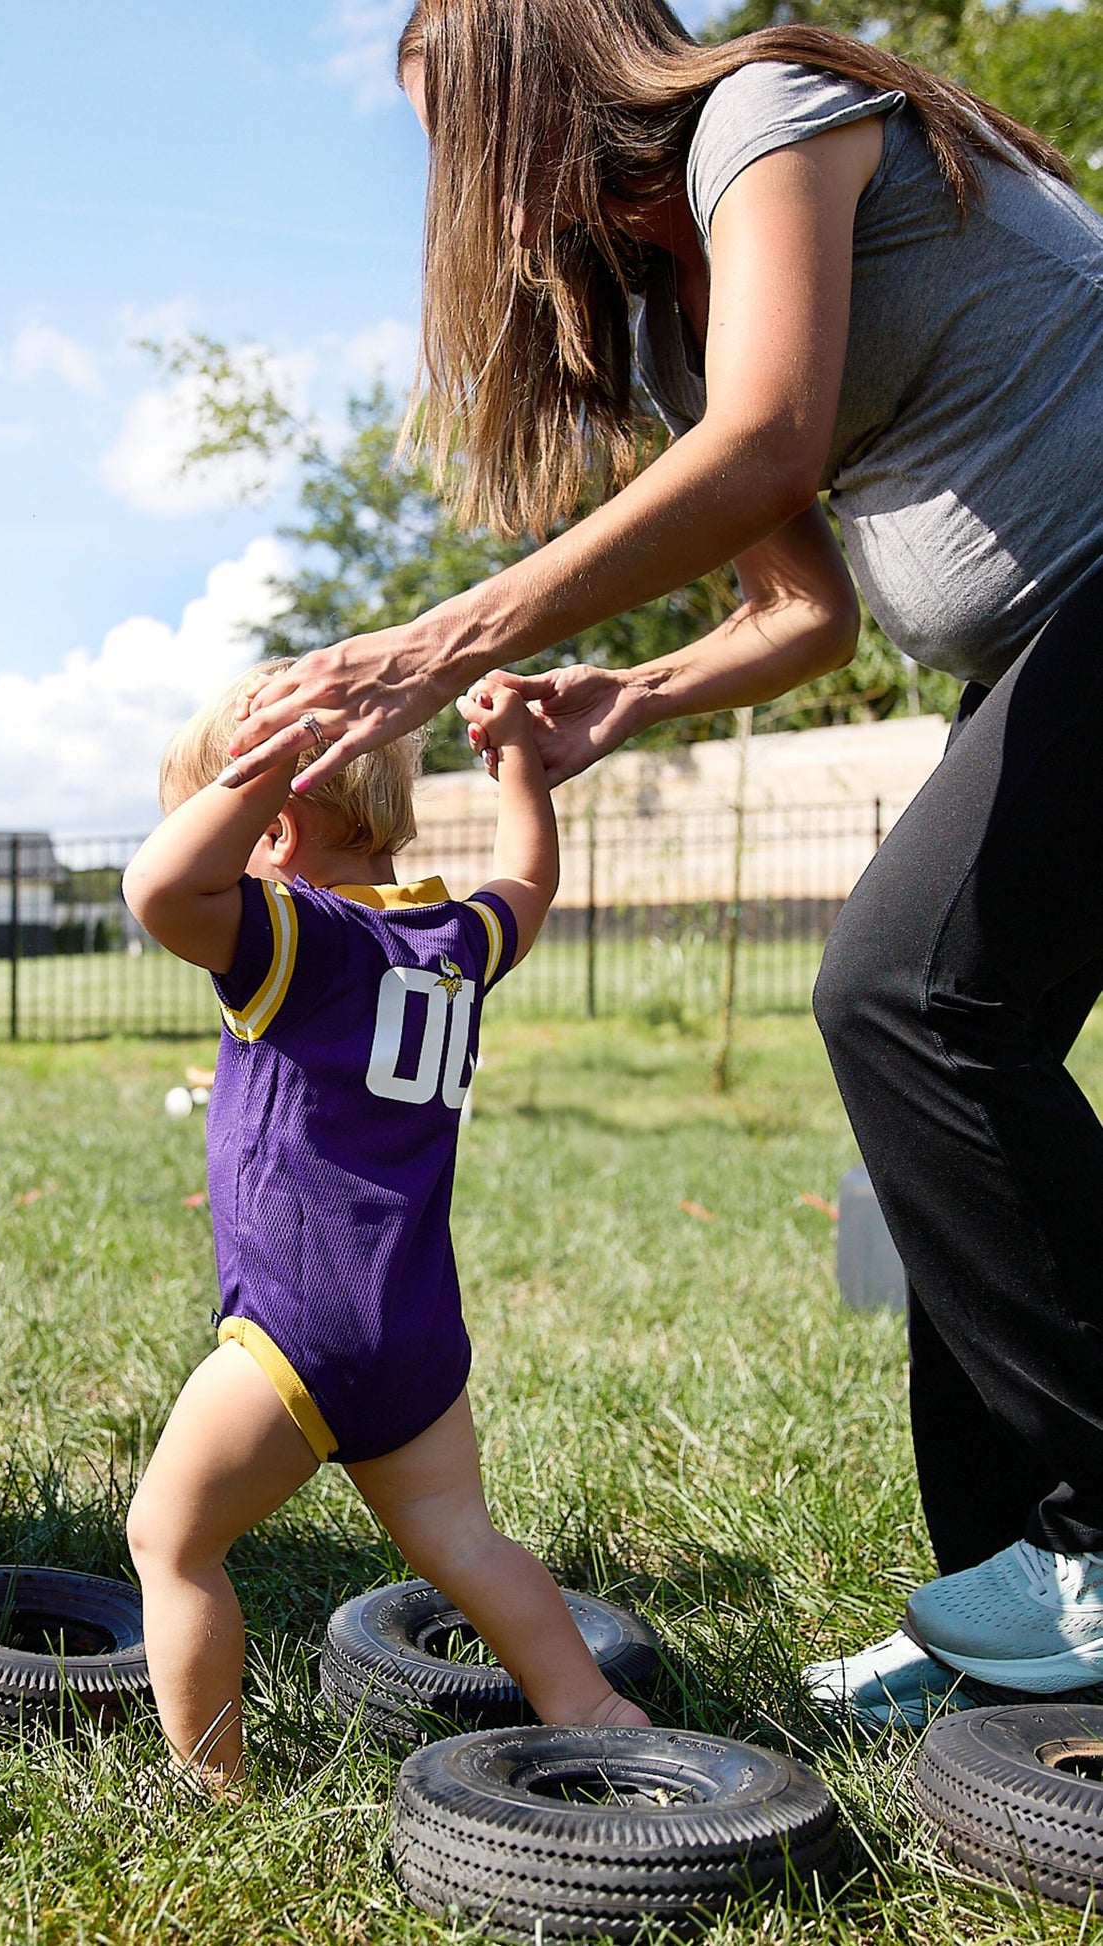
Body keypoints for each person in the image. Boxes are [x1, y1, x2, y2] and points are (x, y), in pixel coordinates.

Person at [217, 0, 1103, 1721]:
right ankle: (1014, 1597)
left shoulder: (769, 116)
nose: (443, 180)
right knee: (944, 1101)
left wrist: (444, 636)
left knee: (909, 1003)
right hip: (1038, 654)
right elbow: (803, 608)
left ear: (528, 84)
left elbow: (773, 441)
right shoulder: (663, 328)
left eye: (443, 124)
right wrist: (625, 697)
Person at [121, 659, 646, 1786]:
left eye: (225, 815)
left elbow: (159, 890)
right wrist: (511, 755)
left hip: (294, 1329)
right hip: (412, 1327)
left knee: (170, 1539)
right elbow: (529, 880)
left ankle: (213, 1789)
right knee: (460, 1538)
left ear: (275, 822)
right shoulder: (451, 944)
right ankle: (592, 1704)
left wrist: (253, 767)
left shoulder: (297, 939)